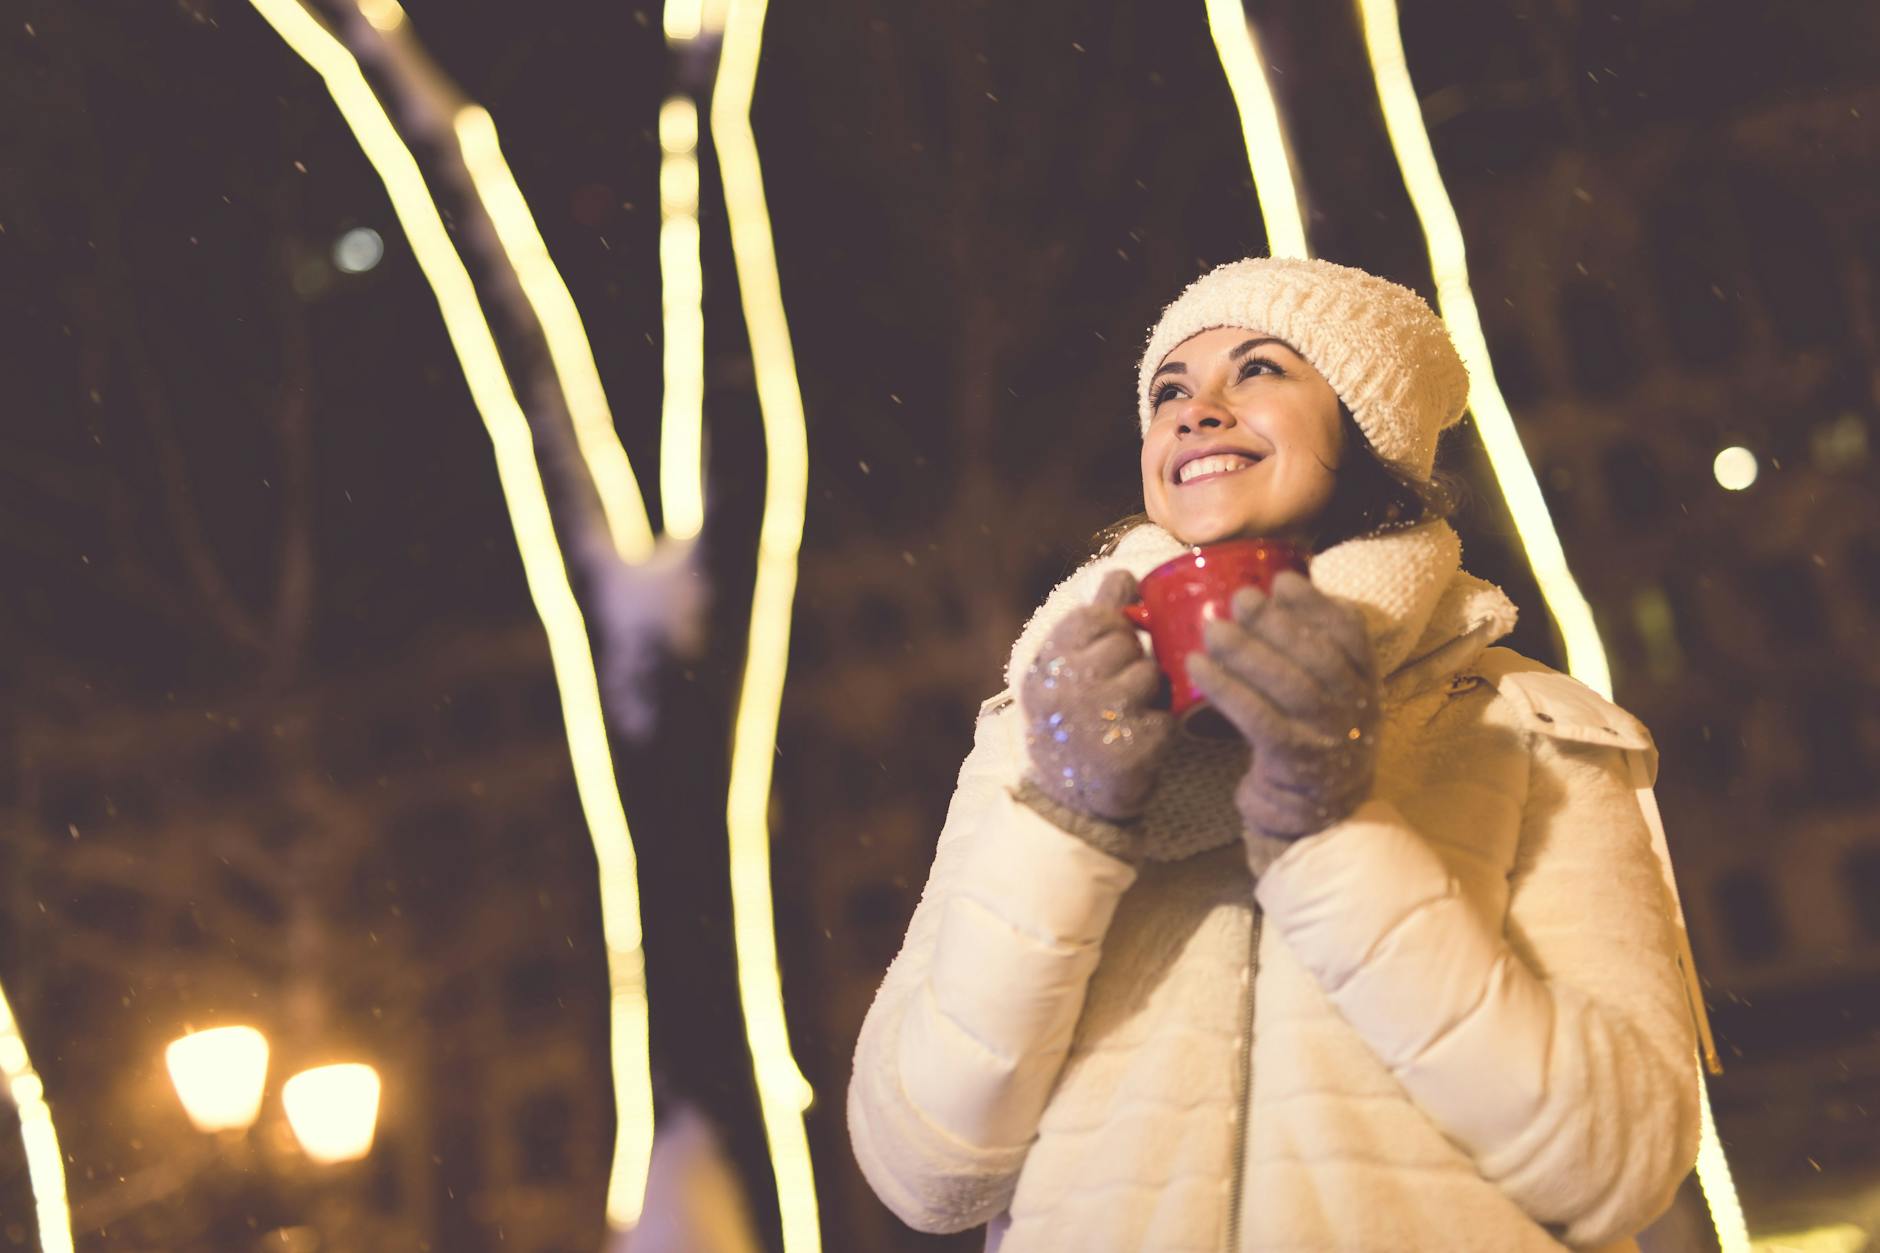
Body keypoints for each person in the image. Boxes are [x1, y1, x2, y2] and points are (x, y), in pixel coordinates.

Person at [848, 257, 1705, 1251]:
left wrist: (1330, 826)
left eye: (1256, 371)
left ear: (1363, 425)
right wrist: (1070, 824)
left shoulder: (1528, 727)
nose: (1194, 409)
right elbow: (924, 1170)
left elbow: (1618, 1158)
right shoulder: (1036, 735)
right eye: (1167, 389)